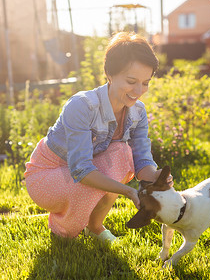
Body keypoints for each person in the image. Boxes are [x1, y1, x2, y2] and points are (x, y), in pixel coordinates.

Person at [24, 32, 171, 243]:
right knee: (93, 180)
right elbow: (81, 170)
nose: (139, 91)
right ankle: (63, 230)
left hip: (78, 174)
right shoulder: (82, 105)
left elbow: (141, 160)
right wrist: (127, 192)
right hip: (47, 176)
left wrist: (155, 175)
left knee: (123, 153)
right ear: (110, 74)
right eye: (131, 81)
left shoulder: (138, 111)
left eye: (146, 83)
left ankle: (94, 226)